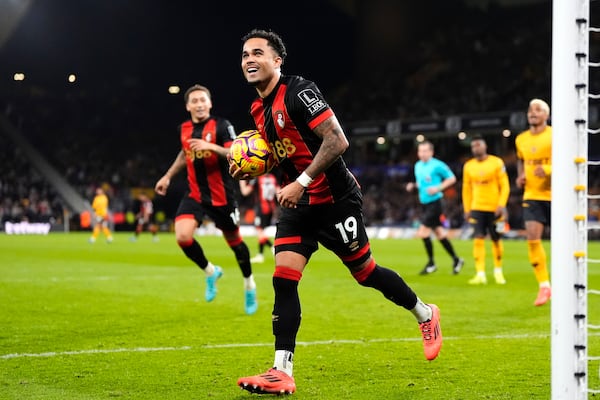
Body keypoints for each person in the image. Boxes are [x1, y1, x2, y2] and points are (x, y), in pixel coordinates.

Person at [232, 29, 442, 396]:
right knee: (284, 278)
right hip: (300, 206)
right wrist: (253, 167)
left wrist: (301, 181)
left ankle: (425, 313)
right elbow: (284, 156)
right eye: (245, 54)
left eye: (258, 53)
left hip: (335, 201)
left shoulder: (299, 92)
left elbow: (337, 140)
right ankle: (282, 370)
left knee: (366, 273)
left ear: (277, 60)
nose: (249, 59)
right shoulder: (256, 110)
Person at [154, 84, 258, 315]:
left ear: (210, 103)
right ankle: (211, 272)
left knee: (236, 245)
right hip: (195, 194)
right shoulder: (184, 128)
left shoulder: (222, 125)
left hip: (222, 195)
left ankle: (249, 284)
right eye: (195, 101)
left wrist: (209, 146)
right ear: (188, 106)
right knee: (182, 237)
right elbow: (184, 153)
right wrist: (168, 176)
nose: (199, 104)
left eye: (203, 100)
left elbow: (235, 153)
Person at [406, 141, 464, 275]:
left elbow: (452, 178)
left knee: (423, 232)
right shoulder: (418, 165)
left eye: (425, 151)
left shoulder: (438, 165)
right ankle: (456, 259)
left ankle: (431, 264)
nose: (422, 153)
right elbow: (422, 184)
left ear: (431, 152)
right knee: (439, 233)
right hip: (424, 204)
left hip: (435, 203)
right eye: (420, 151)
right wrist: (413, 186)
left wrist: (438, 188)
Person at [515, 98, 552, 306]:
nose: (533, 112)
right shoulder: (521, 139)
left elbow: (569, 159)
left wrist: (548, 170)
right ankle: (544, 286)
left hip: (558, 195)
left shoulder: (556, 135)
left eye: (538, 109)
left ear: (546, 115)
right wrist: (521, 175)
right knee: (532, 238)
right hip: (532, 195)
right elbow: (521, 159)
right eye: (530, 109)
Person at [462, 135, 510, 285]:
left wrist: (501, 205)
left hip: (494, 208)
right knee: (478, 239)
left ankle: (498, 271)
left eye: (478, 145)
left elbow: (505, 186)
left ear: (485, 146)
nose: (476, 148)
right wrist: (467, 208)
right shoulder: (468, 166)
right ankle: (480, 273)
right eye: (473, 146)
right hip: (477, 207)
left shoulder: (496, 162)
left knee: (496, 239)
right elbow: (466, 189)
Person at [239, 173, 279, 263]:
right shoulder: (272, 177)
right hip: (271, 209)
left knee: (259, 231)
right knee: (261, 231)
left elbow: (245, 192)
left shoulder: (258, 178)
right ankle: (260, 255)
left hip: (261, 208)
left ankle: (272, 248)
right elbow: (278, 192)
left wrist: (241, 181)